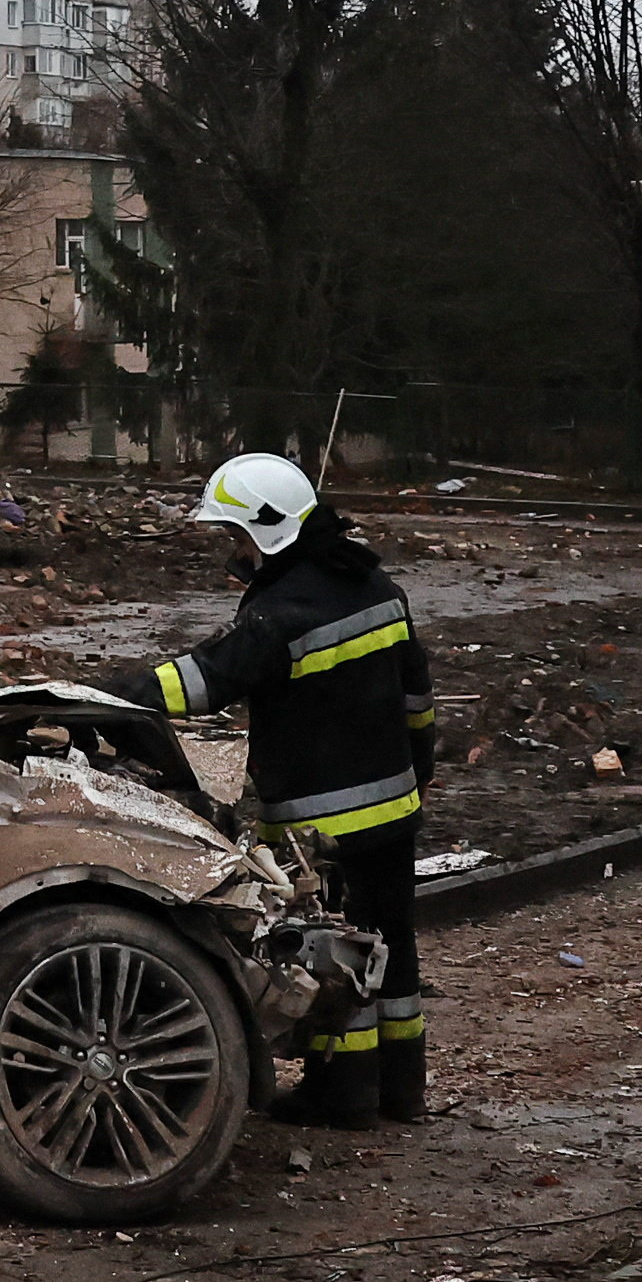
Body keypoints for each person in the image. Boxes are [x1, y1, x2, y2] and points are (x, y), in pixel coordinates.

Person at [145, 451, 431, 1122]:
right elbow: (417, 699)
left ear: (266, 529)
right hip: (395, 811)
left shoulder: (283, 612)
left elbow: (202, 682)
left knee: (338, 952)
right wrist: (418, 773)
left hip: (322, 828)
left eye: (235, 536)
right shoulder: (375, 586)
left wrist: (103, 695)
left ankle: (344, 1094)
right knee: (393, 949)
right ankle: (402, 1090)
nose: (234, 553)